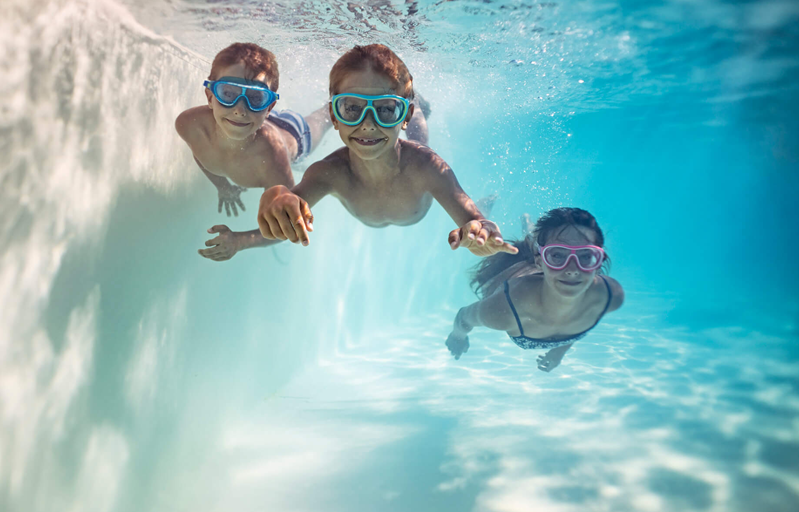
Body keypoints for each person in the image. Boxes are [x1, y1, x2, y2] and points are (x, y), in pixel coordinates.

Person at [248, 43, 516, 259]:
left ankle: (417, 105)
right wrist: (277, 197)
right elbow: (283, 215)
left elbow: (474, 221)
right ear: (334, 115)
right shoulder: (329, 172)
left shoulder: (428, 167)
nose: (367, 124)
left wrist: (482, 233)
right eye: (352, 108)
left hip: (413, 155)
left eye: (386, 110)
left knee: (420, 142)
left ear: (403, 116)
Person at [446, 208, 624, 372]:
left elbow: (571, 317)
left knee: (535, 243)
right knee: (489, 246)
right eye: (557, 254)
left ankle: (535, 235)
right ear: (540, 262)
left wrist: (558, 352)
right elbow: (464, 316)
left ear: (599, 262)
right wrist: (457, 337)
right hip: (510, 269)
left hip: (542, 267)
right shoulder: (505, 309)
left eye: (585, 256)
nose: (572, 269)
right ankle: (495, 217)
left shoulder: (609, 297)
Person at [175, 42, 331, 221]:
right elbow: (200, 152)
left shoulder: (273, 158)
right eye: (228, 94)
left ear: (270, 107)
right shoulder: (190, 125)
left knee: (321, 118)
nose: (240, 110)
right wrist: (222, 187)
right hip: (255, 120)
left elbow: (287, 223)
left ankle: (334, 105)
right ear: (210, 97)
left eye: (256, 97)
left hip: (294, 132)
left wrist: (239, 241)